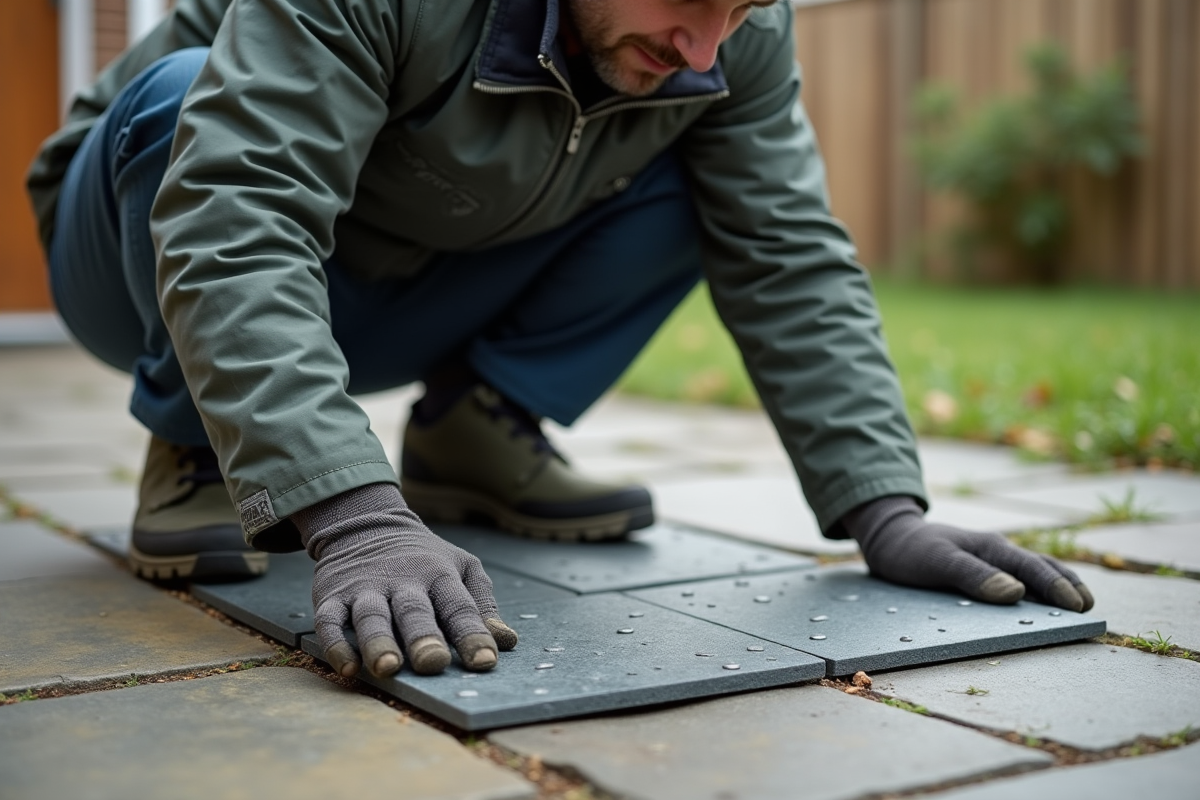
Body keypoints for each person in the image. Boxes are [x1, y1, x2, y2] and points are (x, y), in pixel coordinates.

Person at [28, 0, 1094, 682]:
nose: (707, 41)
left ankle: (475, 427)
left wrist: (885, 507)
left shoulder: (728, 33)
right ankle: (200, 438)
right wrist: (350, 516)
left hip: (411, 261)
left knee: (704, 159)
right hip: (134, 242)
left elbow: (786, 248)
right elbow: (241, 204)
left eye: (741, 7)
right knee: (185, 99)